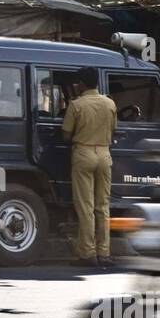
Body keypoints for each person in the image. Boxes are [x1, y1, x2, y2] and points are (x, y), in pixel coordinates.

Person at [61, 66, 117, 266]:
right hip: (104, 153)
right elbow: (113, 129)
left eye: (77, 82)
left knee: (86, 206)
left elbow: (66, 135)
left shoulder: (76, 105)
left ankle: (87, 253)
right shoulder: (110, 103)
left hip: (83, 154)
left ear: (82, 84)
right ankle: (104, 253)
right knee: (103, 206)